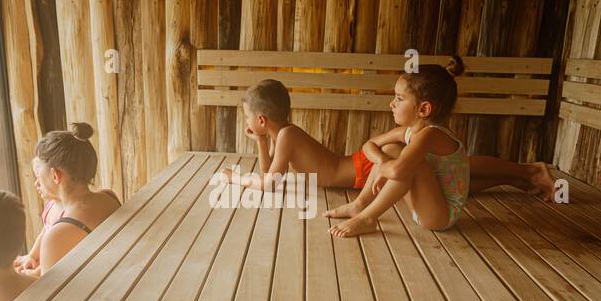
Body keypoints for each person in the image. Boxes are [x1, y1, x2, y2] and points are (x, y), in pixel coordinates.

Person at [237, 72, 555, 199]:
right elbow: (269, 174)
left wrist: (235, 179)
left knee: (454, 171)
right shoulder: (281, 137)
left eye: (250, 120)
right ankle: (518, 178)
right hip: (361, 169)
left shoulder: (289, 135)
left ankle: (527, 171)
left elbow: (269, 183)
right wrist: (261, 141)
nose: (250, 125)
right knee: (449, 183)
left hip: (362, 169)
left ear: (262, 118)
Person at [326, 62, 470, 237]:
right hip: (421, 207)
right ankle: (360, 205)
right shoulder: (409, 132)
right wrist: (382, 161)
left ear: (424, 109)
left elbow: (397, 170)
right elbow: (369, 145)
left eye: (399, 99)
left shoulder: (431, 135)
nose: (391, 104)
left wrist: (387, 168)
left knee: (411, 164)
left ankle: (367, 219)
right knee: (390, 149)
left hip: (440, 216)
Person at [24, 123, 120, 274]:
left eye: (39, 176)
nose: (37, 182)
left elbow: (47, 291)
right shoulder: (109, 197)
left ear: (55, 175)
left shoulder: (58, 235)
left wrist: (27, 274)